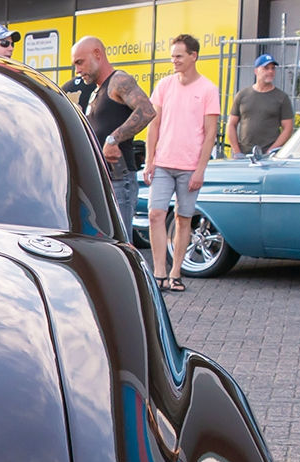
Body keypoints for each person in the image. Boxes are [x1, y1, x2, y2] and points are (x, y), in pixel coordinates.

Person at [143, 34, 220, 293]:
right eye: (172, 55)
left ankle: (176, 272)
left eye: (178, 55)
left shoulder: (208, 89)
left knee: (183, 219)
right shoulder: (164, 85)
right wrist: (149, 160)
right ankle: (159, 272)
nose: (173, 60)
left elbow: (210, 134)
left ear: (193, 56)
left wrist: (201, 169)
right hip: (163, 163)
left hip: (190, 167)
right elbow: (154, 124)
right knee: (155, 215)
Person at [71, 36, 155, 238]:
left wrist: (113, 139)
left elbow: (147, 110)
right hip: (104, 179)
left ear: (97, 54)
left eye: (80, 62)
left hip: (119, 179)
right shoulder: (98, 90)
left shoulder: (119, 80)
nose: (77, 70)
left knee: (120, 241)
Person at [226, 54, 294, 157]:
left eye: (272, 68)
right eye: (266, 68)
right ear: (256, 71)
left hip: (269, 156)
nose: (270, 71)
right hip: (244, 156)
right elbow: (231, 124)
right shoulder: (242, 95)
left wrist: (271, 151)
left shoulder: (282, 98)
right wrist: (237, 151)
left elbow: (288, 128)